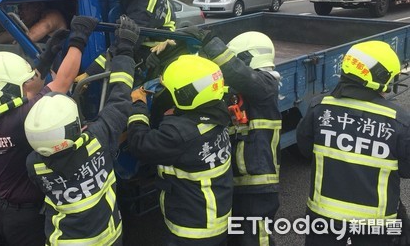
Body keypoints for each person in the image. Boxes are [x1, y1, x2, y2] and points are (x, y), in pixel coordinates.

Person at [0, 15, 99, 246]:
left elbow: (29, 91)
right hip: (28, 216)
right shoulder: (20, 119)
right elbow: (62, 82)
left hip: (9, 210)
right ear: (9, 90)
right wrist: (79, 38)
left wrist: (47, 57)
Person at [23, 16, 140, 245]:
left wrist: (119, 52)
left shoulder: (34, 164)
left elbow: (117, 101)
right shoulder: (99, 138)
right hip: (109, 238)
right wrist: (126, 52)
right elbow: (120, 99)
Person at [296, 40, 410, 246]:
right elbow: (407, 169)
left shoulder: (319, 108)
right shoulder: (399, 121)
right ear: (382, 78)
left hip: (321, 221)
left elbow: (305, 150)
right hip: (376, 227)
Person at [126, 54, 233, 245]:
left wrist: (138, 106)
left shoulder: (179, 135)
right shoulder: (218, 112)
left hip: (193, 231)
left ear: (185, 95)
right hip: (215, 219)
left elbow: (140, 143)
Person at [198, 31, 282, 246]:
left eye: (237, 59)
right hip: (239, 183)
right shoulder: (244, 91)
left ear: (248, 58)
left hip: (258, 186)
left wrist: (211, 42)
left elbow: (238, 73)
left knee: (254, 240)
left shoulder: (266, 85)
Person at [0, 1, 68, 44]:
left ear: (37, 6)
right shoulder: (31, 21)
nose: (20, 12)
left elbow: (30, 37)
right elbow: (6, 36)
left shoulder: (53, 16)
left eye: (22, 7)